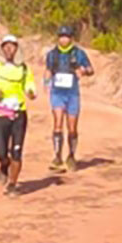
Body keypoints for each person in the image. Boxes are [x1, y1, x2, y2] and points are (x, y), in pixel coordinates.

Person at [0, 34, 37, 197]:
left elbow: (30, 86)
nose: (8, 49)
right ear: (1, 49)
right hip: (0, 114)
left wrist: (31, 93)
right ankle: (3, 166)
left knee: (17, 152)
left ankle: (12, 184)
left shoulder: (24, 69)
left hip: (18, 114)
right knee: (1, 153)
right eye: (5, 46)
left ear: (16, 49)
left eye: (12, 46)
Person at [43, 25, 94, 172]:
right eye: (61, 36)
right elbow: (48, 70)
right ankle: (57, 156)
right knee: (57, 123)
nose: (64, 39)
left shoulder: (79, 54)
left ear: (71, 38)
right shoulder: (52, 54)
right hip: (57, 93)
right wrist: (46, 83)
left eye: (66, 37)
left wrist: (83, 71)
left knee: (72, 128)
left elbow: (91, 69)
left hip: (72, 94)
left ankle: (71, 156)